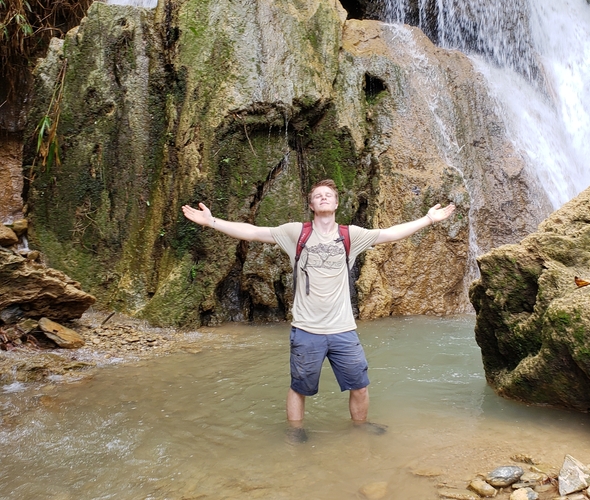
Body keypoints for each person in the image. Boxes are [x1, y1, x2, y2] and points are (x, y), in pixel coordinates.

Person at [182, 180, 455, 429]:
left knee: (359, 386)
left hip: (343, 330)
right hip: (306, 329)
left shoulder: (351, 235)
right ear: (311, 205)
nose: (323, 198)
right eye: (317, 196)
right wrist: (211, 221)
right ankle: (296, 432)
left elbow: (390, 234)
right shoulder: (295, 233)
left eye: (328, 195)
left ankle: (360, 428)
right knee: (299, 388)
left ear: (336, 204)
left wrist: (428, 219)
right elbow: (253, 232)